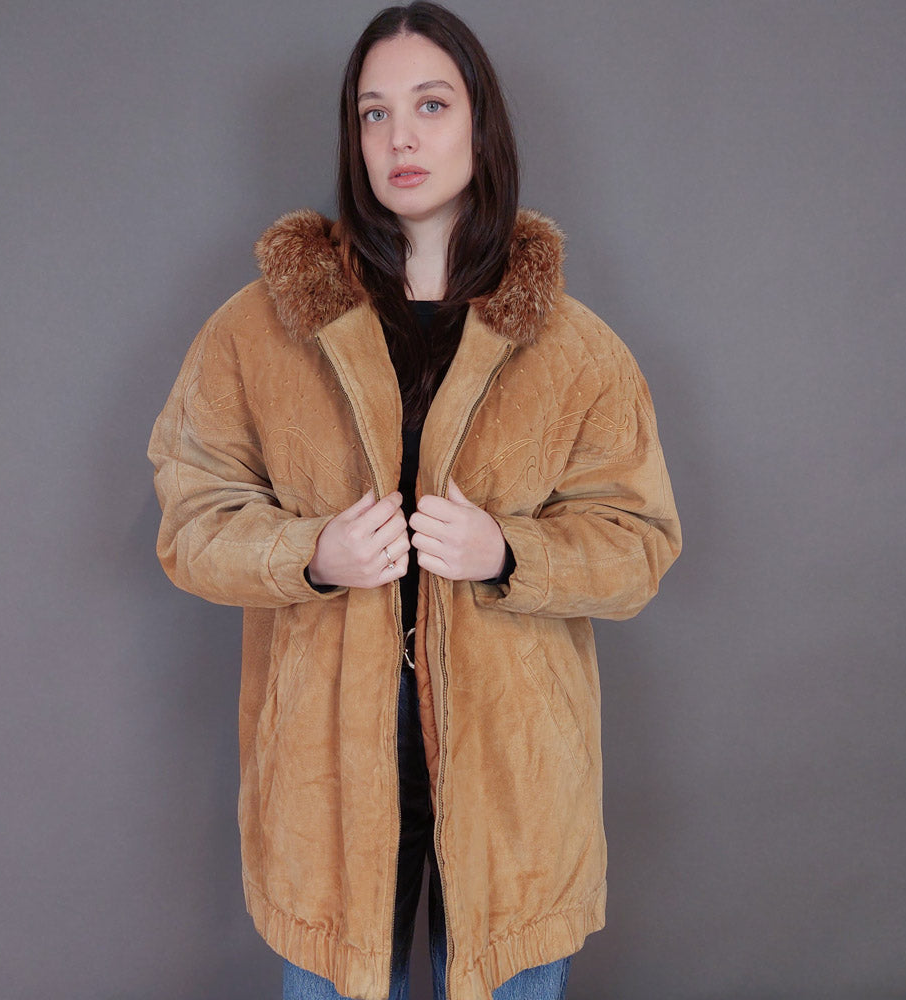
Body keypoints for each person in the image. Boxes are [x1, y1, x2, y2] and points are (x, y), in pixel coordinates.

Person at [148, 3, 681, 998]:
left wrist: (508, 553)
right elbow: (192, 519)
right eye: (374, 112)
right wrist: (310, 553)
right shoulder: (258, 330)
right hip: (325, 780)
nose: (400, 137)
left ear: (481, 124)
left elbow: (640, 541)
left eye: (431, 105)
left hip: (514, 781)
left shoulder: (574, 347)